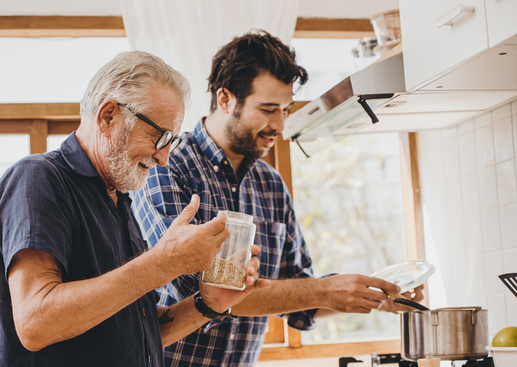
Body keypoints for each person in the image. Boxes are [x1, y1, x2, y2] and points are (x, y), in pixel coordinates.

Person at [131, 31, 424, 367]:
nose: (280, 125)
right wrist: (325, 290)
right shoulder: (169, 168)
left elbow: (299, 293)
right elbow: (202, 292)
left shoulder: (270, 184)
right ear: (225, 99)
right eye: (269, 109)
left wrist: (372, 296)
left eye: (286, 109)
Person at [0, 50, 270, 367]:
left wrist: (208, 303)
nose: (163, 158)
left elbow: (139, 333)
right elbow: (36, 323)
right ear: (108, 116)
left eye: (171, 142)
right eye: (159, 136)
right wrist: (163, 263)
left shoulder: (119, 201)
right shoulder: (38, 179)